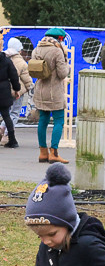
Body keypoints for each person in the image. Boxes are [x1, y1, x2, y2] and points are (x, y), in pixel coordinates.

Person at [30, 28, 71, 164]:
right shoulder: (57, 51)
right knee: (59, 120)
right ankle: (54, 153)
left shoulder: (36, 50)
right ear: (59, 39)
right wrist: (67, 65)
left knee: (43, 120)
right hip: (54, 92)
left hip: (40, 90)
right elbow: (62, 73)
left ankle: (43, 152)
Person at [2, 37, 32, 147]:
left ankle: (1, 129)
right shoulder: (21, 63)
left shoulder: (4, 58)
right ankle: (6, 135)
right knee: (14, 113)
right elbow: (25, 78)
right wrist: (29, 87)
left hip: (4, 92)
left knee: (6, 113)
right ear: (19, 50)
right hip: (15, 92)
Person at [0, 43, 21, 149]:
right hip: (3, 90)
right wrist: (17, 89)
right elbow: (14, 76)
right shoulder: (7, 61)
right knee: (6, 116)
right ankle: (12, 140)